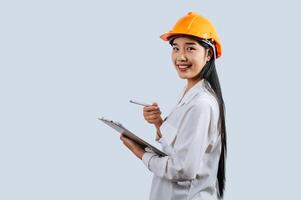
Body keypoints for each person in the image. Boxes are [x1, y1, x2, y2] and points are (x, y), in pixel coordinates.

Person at [120, 11, 227, 200]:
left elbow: (183, 168)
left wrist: (141, 154)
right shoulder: (190, 94)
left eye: (190, 48)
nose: (181, 57)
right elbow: (180, 145)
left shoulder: (201, 103)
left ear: (208, 53)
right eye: (176, 48)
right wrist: (158, 123)